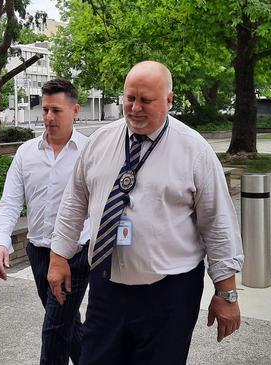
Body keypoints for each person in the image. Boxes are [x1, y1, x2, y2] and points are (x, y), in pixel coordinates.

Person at [47, 61, 244, 365]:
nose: (135, 108)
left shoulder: (194, 150)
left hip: (169, 294)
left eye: (146, 100)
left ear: (169, 100)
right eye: (129, 98)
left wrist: (226, 292)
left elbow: (217, 222)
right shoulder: (101, 141)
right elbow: (74, 200)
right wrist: (59, 255)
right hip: (106, 286)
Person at [0, 79, 91, 365]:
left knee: (54, 330)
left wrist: (83, 249)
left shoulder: (91, 152)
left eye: (56, 110)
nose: (49, 117)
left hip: (75, 255)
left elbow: (100, 208)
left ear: (75, 110)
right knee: (68, 326)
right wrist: (0, 243)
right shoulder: (26, 153)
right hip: (38, 252)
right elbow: (9, 203)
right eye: (45, 110)